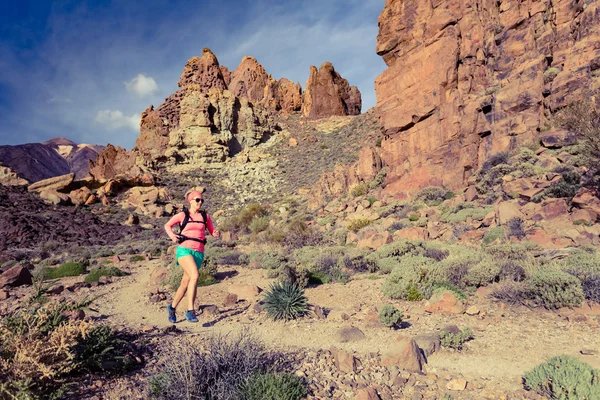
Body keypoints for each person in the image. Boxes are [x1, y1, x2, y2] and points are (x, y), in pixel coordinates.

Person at [164, 190, 219, 323]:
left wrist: (216, 233)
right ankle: (190, 311)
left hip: (198, 252)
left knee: (185, 282)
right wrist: (172, 236)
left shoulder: (205, 217)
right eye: (197, 200)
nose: (200, 202)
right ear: (190, 201)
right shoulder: (183, 215)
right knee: (195, 275)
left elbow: (212, 231)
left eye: (201, 200)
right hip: (184, 250)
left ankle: (171, 308)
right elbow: (167, 225)